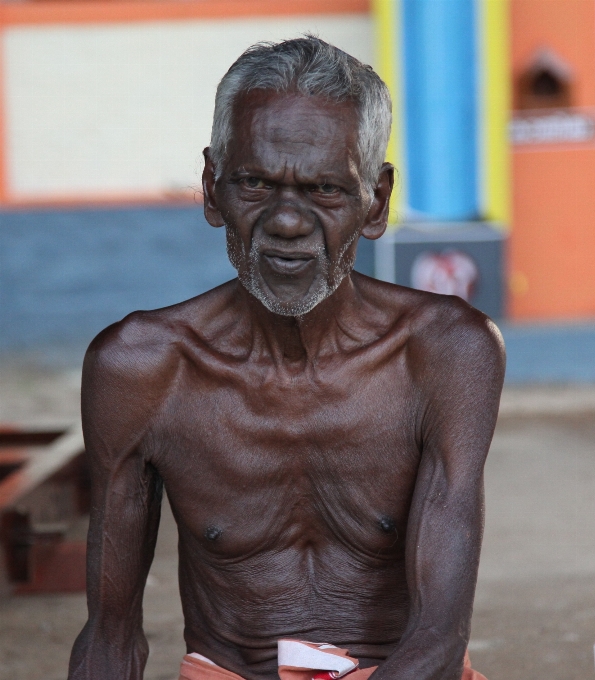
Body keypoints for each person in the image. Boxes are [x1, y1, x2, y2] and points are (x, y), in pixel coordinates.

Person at [68, 37, 505, 680]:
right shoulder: (139, 369)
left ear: (377, 202)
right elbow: (111, 639)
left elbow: (437, 639)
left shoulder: (445, 353)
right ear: (212, 190)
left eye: (325, 189)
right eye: (255, 182)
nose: (287, 222)